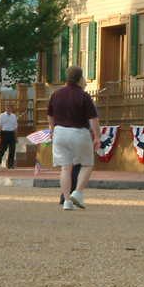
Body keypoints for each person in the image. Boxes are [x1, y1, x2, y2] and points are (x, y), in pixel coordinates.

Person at [46, 64, 99, 211]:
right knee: (87, 163)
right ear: (80, 78)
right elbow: (93, 118)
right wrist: (97, 136)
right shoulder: (83, 95)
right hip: (78, 132)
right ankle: (78, 192)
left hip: (60, 132)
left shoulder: (56, 93)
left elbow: (50, 114)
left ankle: (67, 200)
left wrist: (52, 130)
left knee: (65, 168)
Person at [0, 103, 18, 169]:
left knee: (12, 149)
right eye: (6, 108)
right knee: (2, 149)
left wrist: (16, 137)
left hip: (11, 134)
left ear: (11, 109)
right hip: (4, 133)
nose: (7, 109)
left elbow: (15, 127)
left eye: (9, 108)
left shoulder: (13, 116)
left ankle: (10, 164)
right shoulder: (2, 116)